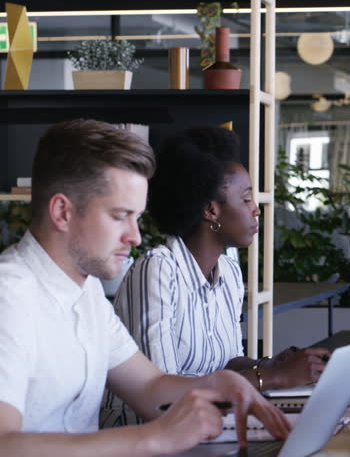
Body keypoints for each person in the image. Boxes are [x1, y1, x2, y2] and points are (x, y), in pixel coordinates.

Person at [0, 119, 290, 456]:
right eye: (119, 215)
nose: (134, 237)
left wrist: (219, 382)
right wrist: (153, 438)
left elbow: (150, 387)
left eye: (136, 217)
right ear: (62, 212)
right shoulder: (10, 298)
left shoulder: (86, 292)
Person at [100, 126, 330, 427]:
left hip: (209, 427)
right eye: (246, 199)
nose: (256, 210)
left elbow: (228, 363)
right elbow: (163, 402)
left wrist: (271, 364)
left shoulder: (230, 273)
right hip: (144, 436)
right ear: (211, 210)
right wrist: (271, 377)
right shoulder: (157, 271)